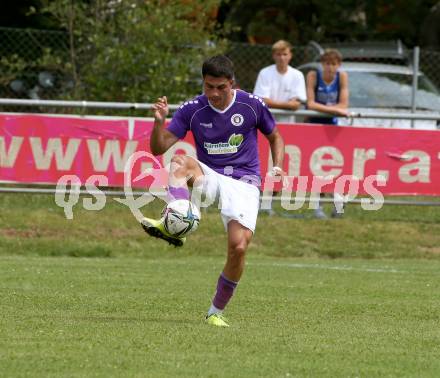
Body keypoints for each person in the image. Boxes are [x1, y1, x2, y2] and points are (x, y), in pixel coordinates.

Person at [141, 55, 285, 327]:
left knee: (239, 247)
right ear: (203, 83)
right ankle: (174, 220)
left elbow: (275, 136)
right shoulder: (192, 109)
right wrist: (159, 121)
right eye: (209, 87)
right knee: (180, 161)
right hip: (210, 176)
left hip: (245, 182)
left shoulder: (251, 105)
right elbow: (159, 148)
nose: (215, 93)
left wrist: (277, 167)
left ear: (232, 84)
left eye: (221, 87)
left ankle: (215, 311)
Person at [305, 48, 349, 219]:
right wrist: (333, 110)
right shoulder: (313, 75)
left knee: (333, 167)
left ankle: (338, 203)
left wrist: (332, 111)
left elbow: (344, 105)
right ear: (322, 64)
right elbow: (310, 104)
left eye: (334, 64)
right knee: (315, 167)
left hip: (332, 126)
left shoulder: (342, 77)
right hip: (313, 126)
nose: (330, 68)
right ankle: (317, 207)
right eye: (327, 64)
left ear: (339, 65)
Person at [253, 40, 307, 124]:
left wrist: (271, 103)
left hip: (288, 124)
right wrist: (288, 105)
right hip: (265, 123)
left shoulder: (298, 75)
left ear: (290, 55)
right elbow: (262, 101)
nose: (282, 58)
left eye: (285, 54)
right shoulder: (264, 73)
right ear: (273, 56)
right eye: (278, 54)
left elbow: (296, 105)